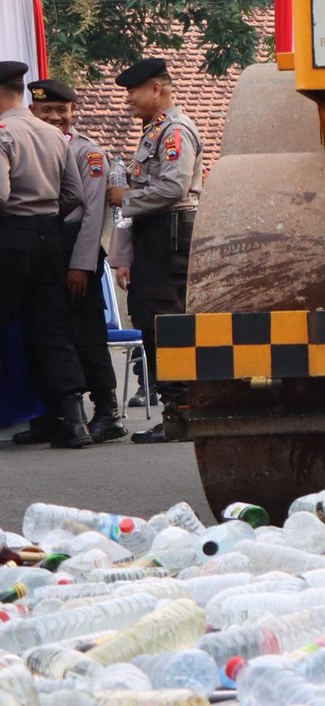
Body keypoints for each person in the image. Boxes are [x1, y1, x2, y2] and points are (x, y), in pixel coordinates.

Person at [107, 57, 203, 444]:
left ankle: (181, 415)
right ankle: (177, 413)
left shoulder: (174, 131)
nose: (128, 99)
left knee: (165, 324)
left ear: (156, 89)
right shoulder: (155, 132)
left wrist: (125, 197)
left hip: (170, 234)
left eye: (132, 91)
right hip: (156, 235)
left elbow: (173, 188)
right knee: (152, 321)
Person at [0, 61, 93, 448]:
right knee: (52, 331)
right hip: (50, 238)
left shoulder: (2, 133)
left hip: (10, 237)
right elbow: (73, 194)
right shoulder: (54, 134)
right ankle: (75, 422)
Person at [27, 78, 123, 443]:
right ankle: (57, 415)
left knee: (86, 334)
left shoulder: (88, 153)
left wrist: (81, 264)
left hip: (76, 246)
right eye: (46, 110)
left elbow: (94, 213)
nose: (54, 117)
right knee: (47, 333)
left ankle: (108, 412)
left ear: (73, 111)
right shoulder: (29, 145)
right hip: (44, 247)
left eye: (61, 110)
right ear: (32, 111)